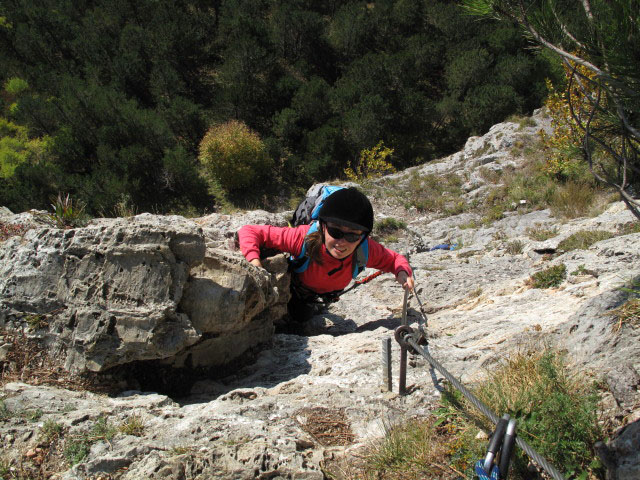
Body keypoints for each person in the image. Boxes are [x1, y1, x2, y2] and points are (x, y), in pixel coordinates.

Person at [237, 187, 415, 320]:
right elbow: (249, 231)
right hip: (297, 295)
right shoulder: (302, 238)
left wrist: (402, 272)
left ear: (363, 237)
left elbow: (394, 259)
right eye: (336, 232)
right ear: (322, 227)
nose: (342, 242)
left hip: (323, 296)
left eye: (352, 235)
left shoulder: (365, 249)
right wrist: (255, 263)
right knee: (299, 318)